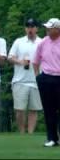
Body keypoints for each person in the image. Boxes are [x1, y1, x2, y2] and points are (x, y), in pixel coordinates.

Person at [8, 18, 42, 134]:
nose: (30, 29)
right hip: (20, 81)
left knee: (34, 109)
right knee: (19, 110)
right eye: (28, 27)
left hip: (36, 81)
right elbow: (10, 57)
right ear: (25, 28)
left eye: (32, 27)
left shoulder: (41, 42)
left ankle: (30, 133)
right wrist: (20, 62)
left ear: (37, 28)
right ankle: (22, 132)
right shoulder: (19, 42)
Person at [33, 18, 60, 147]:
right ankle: (52, 138)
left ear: (57, 29)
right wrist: (38, 77)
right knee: (49, 110)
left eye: (50, 28)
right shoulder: (43, 42)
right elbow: (35, 61)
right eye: (47, 28)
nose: (47, 30)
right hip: (46, 78)